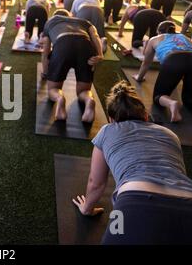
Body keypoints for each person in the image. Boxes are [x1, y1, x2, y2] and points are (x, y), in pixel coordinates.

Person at [73, 80, 192, 244]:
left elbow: (96, 183)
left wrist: (86, 209)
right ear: (145, 116)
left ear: (111, 119)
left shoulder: (107, 130)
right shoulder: (169, 134)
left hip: (135, 201)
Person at [39, 9, 103, 123]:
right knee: (83, 91)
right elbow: (95, 36)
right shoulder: (84, 21)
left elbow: (45, 51)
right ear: (70, 16)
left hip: (63, 45)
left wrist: (45, 72)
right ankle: (89, 100)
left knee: (53, 89)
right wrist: (100, 55)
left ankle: (60, 99)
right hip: (85, 46)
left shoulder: (51, 21)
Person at [133, 21, 192, 122]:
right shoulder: (185, 37)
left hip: (173, 59)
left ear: (158, 31)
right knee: (188, 100)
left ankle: (171, 103)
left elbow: (146, 63)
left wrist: (139, 77)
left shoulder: (154, 39)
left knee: (158, 97)